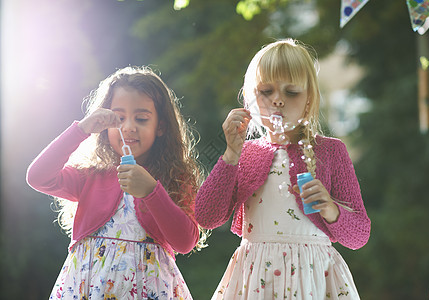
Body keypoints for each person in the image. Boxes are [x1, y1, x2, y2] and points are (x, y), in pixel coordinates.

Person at [195, 39, 371, 299]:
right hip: (256, 278)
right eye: (266, 91)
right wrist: (231, 154)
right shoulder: (246, 153)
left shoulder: (330, 151)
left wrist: (331, 209)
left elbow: (359, 236)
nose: (278, 100)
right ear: (250, 99)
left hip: (313, 278)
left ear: (309, 99)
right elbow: (207, 216)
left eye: (291, 92)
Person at [26, 66, 205, 299]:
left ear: (161, 126)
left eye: (141, 118)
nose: (128, 126)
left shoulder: (175, 177)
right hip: (87, 289)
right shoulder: (91, 174)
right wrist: (81, 129)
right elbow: (38, 177)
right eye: (119, 118)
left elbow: (185, 242)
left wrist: (152, 191)